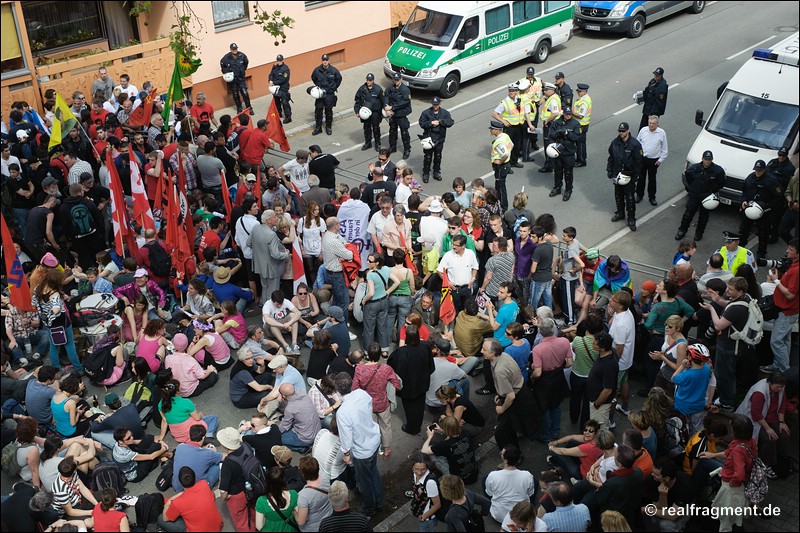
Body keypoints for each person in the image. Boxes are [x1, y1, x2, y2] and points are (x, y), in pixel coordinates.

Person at [699, 277, 754, 411]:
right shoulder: (746, 298)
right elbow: (729, 304)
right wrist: (718, 300)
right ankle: (726, 399)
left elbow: (718, 325)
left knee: (725, 375)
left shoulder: (736, 309)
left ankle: (727, 403)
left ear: (740, 291)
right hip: (735, 345)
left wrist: (712, 308)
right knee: (727, 373)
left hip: (729, 347)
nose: (727, 291)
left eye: (731, 289)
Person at [334, 372, 383, 517]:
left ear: (337, 390)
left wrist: (346, 454)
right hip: (373, 438)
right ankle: (379, 502)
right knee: (373, 473)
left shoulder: (342, 412)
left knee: (365, 481)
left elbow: (346, 437)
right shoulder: (362, 393)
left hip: (362, 449)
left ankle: (369, 508)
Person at [482, 338, 537, 451]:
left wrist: (502, 408)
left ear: (492, 353)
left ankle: (513, 456)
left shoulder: (499, 371)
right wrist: (500, 393)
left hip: (516, 398)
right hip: (521, 392)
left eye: (484, 349)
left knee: (502, 432)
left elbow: (511, 396)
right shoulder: (504, 356)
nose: (481, 351)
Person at [736, 372, 789, 479]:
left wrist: (782, 422)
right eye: (778, 387)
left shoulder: (780, 388)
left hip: (771, 417)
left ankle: (780, 459)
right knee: (769, 439)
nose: (780, 389)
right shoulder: (759, 392)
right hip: (755, 421)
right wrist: (768, 429)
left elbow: (782, 405)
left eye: (781, 387)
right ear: (770, 383)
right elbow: (756, 414)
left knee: (784, 435)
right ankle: (765, 465)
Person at [352, 343, 402, 458]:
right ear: (380, 355)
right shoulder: (386, 369)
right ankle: (387, 448)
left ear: (367, 355)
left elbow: (354, 388)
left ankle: (374, 447)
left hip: (367, 404)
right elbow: (397, 384)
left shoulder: (359, 369)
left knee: (371, 427)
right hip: (383, 403)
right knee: (385, 426)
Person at [31, 269, 84, 374]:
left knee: (54, 346)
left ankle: (56, 368)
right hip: (61, 323)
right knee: (69, 346)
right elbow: (56, 309)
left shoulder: (37, 288)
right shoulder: (54, 294)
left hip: (49, 323)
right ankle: (79, 368)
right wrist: (57, 303)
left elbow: (33, 303)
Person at [711, 414, 756, 532]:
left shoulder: (738, 450)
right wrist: (713, 455)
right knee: (736, 514)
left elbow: (739, 474)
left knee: (726, 516)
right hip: (743, 485)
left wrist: (732, 483)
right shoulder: (751, 441)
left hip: (732, 489)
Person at [531, 318, 573, 442]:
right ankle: (556, 431)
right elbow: (570, 362)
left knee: (544, 408)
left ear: (540, 331)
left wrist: (532, 378)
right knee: (556, 406)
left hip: (544, 381)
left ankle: (546, 436)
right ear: (552, 329)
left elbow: (537, 373)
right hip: (558, 377)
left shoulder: (538, 349)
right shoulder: (564, 341)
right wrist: (559, 367)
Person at [388, 325, 435, 436]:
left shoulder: (400, 353)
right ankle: (418, 423)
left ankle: (413, 428)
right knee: (420, 403)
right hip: (422, 381)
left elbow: (392, 368)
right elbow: (431, 365)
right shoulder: (425, 346)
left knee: (410, 407)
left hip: (408, 386)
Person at [762, 239, 799, 374]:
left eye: (790, 249)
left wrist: (776, 281)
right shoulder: (794, 266)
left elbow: (790, 295)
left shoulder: (796, 271)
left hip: (787, 311)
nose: (787, 250)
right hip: (788, 310)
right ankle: (778, 365)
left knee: (776, 342)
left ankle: (784, 372)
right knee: (785, 340)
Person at [676, 150, 727, 241]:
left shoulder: (717, 170)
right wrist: (693, 187)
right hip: (695, 195)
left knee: (704, 217)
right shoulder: (694, 168)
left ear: (712, 160)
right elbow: (688, 177)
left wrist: (712, 190)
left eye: (709, 159)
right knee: (688, 214)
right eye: (706, 159)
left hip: (707, 196)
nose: (707, 161)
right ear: (702, 158)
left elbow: (721, 183)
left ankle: (699, 233)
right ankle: (682, 230)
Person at [738, 159, 784, 258]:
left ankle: (761, 253)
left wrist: (767, 207)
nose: (757, 172)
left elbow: (779, 196)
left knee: (763, 233)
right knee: (743, 230)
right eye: (756, 170)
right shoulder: (751, 177)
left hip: (763, 212)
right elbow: (744, 191)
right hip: (749, 209)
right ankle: (740, 249)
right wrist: (743, 201)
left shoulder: (771, 180)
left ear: (764, 170)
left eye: (760, 170)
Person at [159, 466, 224, 532]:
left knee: (160, 519)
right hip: (218, 526)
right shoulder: (204, 484)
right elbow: (213, 498)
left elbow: (165, 518)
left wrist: (168, 502)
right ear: (194, 477)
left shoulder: (177, 503)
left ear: (180, 482)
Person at [485, 445, 536, 523]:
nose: (500, 453)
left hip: (499, 516)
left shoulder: (493, 475)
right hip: (521, 515)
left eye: (501, 453)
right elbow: (530, 493)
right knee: (535, 481)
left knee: (484, 481)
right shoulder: (527, 475)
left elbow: (490, 493)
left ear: (505, 461)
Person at [158, 379, 219, 444]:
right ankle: (207, 436)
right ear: (177, 392)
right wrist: (200, 414)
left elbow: (164, 420)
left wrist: (161, 436)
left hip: (178, 435)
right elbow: (197, 418)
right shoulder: (186, 402)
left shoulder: (161, 404)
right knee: (214, 418)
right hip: (192, 431)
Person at [607, 122, 643, 231]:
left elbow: (639, 162)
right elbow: (611, 158)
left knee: (630, 198)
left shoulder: (635, 144)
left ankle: (631, 218)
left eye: (623, 131)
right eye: (620, 131)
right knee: (618, 195)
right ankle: (620, 213)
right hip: (618, 174)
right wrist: (609, 170)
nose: (621, 133)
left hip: (629, 175)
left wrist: (635, 177)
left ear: (628, 130)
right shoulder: (615, 143)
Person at [422, 416, 477, 484]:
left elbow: (424, 451)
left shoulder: (445, 445)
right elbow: (453, 435)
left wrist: (429, 437)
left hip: (458, 477)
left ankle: (447, 478)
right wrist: (442, 431)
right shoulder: (465, 433)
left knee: (431, 455)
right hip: (473, 471)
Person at [548, 106, 581, 201]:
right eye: (566, 114)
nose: (568, 115)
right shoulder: (556, 123)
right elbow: (551, 135)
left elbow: (576, 138)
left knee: (568, 172)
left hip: (569, 152)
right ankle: (557, 187)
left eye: (570, 114)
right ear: (563, 113)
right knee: (557, 171)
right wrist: (558, 133)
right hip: (558, 151)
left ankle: (568, 190)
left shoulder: (575, 124)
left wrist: (567, 133)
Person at [586, 332, 619, 430]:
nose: (592, 343)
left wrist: (597, 404)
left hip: (600, 405)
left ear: (603, 348)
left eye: (595, 343)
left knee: (599, 429)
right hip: (595, 400)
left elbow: (607, 390)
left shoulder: (609, 365)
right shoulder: (609, 352)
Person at [492, 84, 529, 170]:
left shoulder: (519, 100)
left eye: (513, 91)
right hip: (510, 127)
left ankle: (514, 162)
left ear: (516, 92)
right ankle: (507, 166)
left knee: (516, 145)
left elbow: (524, 112)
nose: (511, 92)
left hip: (518, 126)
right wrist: (503, 121)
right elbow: (494, 114)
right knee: (507, 147)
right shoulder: (504, 102)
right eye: (510, 91)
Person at [418, 96, 454, 182]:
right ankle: (426, 173)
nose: (435, 106)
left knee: (438, 156)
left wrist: (441, 121)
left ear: (440, 104)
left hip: (439, 138)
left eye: (437, 104)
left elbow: (450, 122)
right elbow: (422, 123)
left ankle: (436, 172)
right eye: (434, 105)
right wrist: (430, 123)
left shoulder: (445, 113)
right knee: (427, 157)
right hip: (428, 138)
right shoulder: (426, 113)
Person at [636, 115, 668, 206]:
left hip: (654, 161)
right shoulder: (643, 130)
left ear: (657, 124)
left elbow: (664, 148)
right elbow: (637, 144)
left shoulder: (661, 133)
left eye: (653, 123)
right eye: (650, 123)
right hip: (643, 159)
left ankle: (652, 197)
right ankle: (639, 195)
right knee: (641, 178)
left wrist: (660, 160)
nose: (651, 125)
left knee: (652, 179)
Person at [295, 456, 333, 532]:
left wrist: (294, 511)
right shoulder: (326, 478)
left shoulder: (303, 496)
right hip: (328, 520)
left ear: (303, 474)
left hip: (313, 528)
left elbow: (301, 521)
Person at [310, 54, 342, 136]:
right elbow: (313, 77)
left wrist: (334, 87)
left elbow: (339, 79)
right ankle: (318, 128)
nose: (325, 61)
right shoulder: (317, 70)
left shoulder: (333, 70)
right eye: (323, 60)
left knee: (328, 110)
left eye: (326, 60)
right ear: (322, 60)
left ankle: (328, 127)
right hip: (320, 94)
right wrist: (318, 85)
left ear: (328, 60)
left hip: (329, 94)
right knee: (318, 110)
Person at [384, 72, 413, 159]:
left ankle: (407, 149)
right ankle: (392, 147)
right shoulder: (390, 88)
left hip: (401, 113)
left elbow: (404, 102)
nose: (395, 81)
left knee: (404, 132)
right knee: (392, 131)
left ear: (400, 79)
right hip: (392, 114)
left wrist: (391, 107)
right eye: (394, 80)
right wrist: (386, 107)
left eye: (397, 79)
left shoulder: (405, 90)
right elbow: (386, 96)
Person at [354, 73, 384, 152]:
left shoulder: (378, 89)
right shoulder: (362, 89)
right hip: (365, 112)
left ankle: (378, 143)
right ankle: (368, 143)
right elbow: (357, 100)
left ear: (373, 80)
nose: (368, 82)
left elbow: (382, 101)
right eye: (367, 80)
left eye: (370, 80)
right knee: (366, 127)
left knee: (376, 128)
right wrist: (357, 111)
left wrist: (383, 112)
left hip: (375, 112)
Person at [220, 43, 252, 114]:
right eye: (233, 49)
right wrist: (226, 73)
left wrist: (242, 71)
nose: (235, 50)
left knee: (244, 93)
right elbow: (223, 66)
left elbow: (245, 64)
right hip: (233, 80)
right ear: (231, 49)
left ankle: (249, 108)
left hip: (241, 78)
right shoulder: (226, 58)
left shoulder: (242, 56)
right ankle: (239, 108)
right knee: (235, 94)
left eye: (236, 49)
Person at [538, 82, 562, 174]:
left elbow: (555, 113)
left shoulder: (553, 100)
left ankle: (549, 165)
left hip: (550, 124)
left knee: (548, 144)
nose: (544, 91)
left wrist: (547, 120)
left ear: (551, 90)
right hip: (553, 124)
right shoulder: (553, 97)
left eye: (546, 90)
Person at [489, 120, 513, 211]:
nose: (490, 130)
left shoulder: (499, 142)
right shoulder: (505, 136)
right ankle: (497, 202)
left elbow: (505, 154)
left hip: (501, 167)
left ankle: (503, 206)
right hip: (506, 165)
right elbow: (511, 145)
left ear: (497, 130)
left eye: (492, 129)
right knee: (498, 185)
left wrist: (500, 161)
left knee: (501, 186)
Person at [572, 83, 592, 167]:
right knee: (579, 143)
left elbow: (580, 115)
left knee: (580, 143)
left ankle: (581, 160)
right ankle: (580, 158)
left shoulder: (584, 102)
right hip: (580, 124)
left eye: (579, 91)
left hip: (582, 125)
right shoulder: (582, 99)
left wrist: (572, 112)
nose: (578, 92)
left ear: (583, 92)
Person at [269, 54, 292, 123]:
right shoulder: (275, 67)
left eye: (280, 61)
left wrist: (274, 83)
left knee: (285, 102)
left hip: (283, 88)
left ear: (283, 60)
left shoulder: (285, 69)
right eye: (278, 61)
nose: (279, 62)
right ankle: (279, 113)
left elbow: (284, 79)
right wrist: (270, 80)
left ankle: (288, 117)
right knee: (277, 102)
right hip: (275, 88)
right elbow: (271, 74)